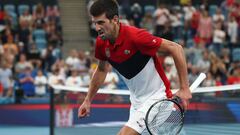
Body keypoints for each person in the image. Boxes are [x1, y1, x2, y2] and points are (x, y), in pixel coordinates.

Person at [78, 0, 191, 135]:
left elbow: (176, 48)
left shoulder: (136, 37)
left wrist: (184, 88)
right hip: (137, 103)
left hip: (158, 99)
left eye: (101, 22)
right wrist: (88, 100)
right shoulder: (102, 43)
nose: (97, 28)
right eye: (94, 23)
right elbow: (102, 70)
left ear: (115, 20)